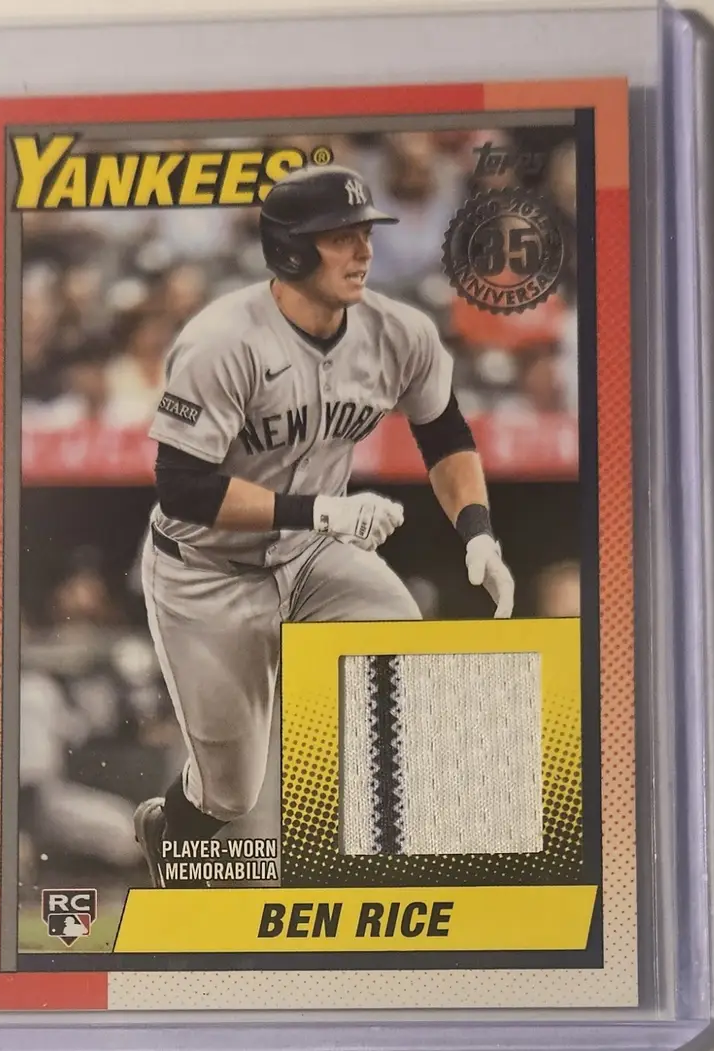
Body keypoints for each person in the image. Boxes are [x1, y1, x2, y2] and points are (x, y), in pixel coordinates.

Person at [133, 164, 515, 887]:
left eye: (365, 233)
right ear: (290, 249)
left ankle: (377, 863)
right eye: (341, 237)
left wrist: (478, 531)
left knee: (400, 648)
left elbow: (444, 431)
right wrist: (320, 510)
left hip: (312, 555)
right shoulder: (223, 341)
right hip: (206, 572)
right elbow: (181, 487)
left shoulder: (397, 331)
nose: (364, 251)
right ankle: (168, 829)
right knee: (228, 794)